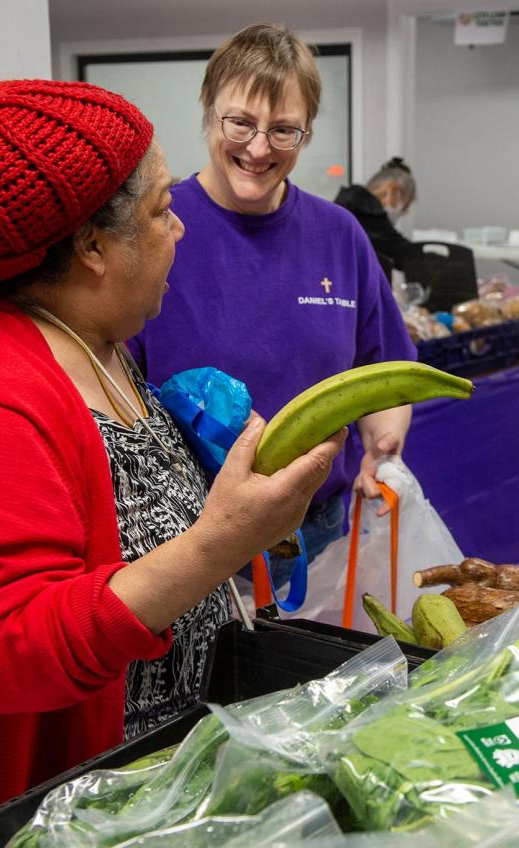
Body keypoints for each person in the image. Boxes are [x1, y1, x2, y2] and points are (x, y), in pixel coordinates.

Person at [0, 80, 343, 848]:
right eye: (163, 210)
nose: (181, 229)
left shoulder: (87, 333)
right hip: (16, 815)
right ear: (92, 248)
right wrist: (217, 544)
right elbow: (8, 648)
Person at [132, 23, 417, 584]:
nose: (259, 149)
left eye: (284, 130)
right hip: (190, 541)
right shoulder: (156, 231)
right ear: (209, 111)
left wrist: (383, 447)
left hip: (321, 531)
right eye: (240, 122)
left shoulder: (340, 235)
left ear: (306, 133)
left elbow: (384, 373)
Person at [334, 157, 418, 271]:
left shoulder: (344, 206)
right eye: (405, 205)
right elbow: (404, 254)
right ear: (392, 191)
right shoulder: (371, 217)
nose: (405, 212)